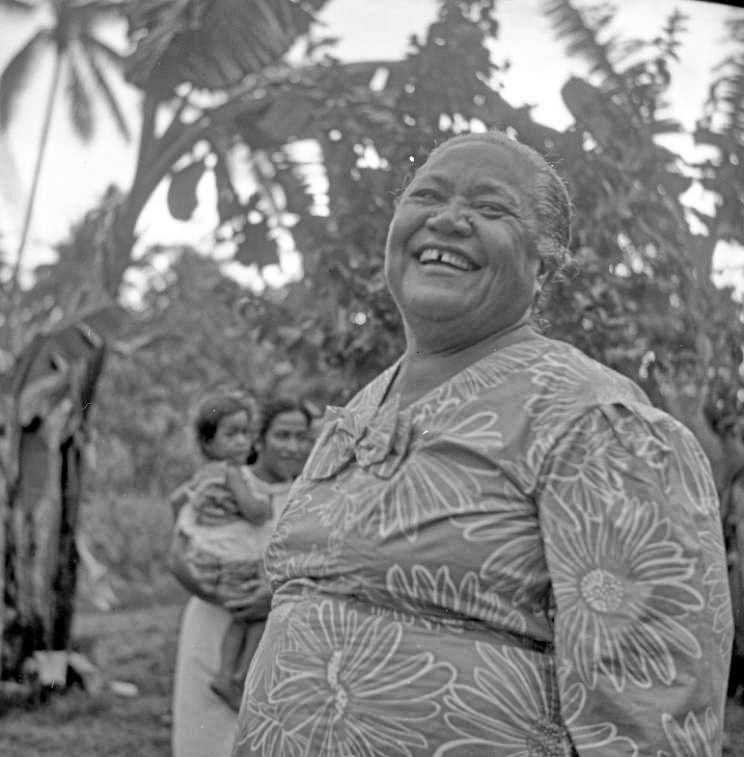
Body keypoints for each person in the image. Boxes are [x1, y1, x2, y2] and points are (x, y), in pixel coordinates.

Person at [232, 130, 734, 756]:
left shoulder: (594, 421)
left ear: (543, 262)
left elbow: (655, 705)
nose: (448, 219)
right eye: (427, 195)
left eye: (492, 208)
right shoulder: (361, 409)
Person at [170, 395, 313, 757]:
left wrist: (271, 600)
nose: (293, 447)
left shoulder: (313, 494)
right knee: (206, 734)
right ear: (260, 439)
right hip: (217, 617)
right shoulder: (225, 484)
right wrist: (228, 598)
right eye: (283, 435)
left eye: (303, 437)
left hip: (280, 629)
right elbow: (180, 553)